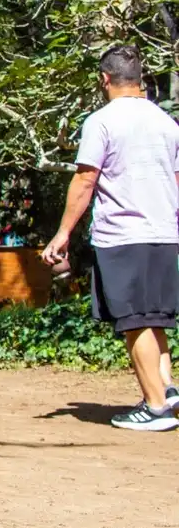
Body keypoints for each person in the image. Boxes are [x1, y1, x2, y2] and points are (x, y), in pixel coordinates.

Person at [43, 45, 179, 431]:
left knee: (134, 321)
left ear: (104, 79)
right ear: (139, 78)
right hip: (164, 233)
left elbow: (86, 179)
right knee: (156, 318)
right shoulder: (167, 123)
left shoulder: (101, 122)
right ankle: (166, 390)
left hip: (123, 234)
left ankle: (154, 408)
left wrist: (63, 232)